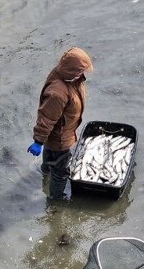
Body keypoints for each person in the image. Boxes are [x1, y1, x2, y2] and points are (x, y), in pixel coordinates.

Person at [27, 47, 94, 200]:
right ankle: (56, 198)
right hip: (60, 137)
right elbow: (47, 118)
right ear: (71, 70)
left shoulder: (68, 77)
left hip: (59, 134)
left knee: (50, 154)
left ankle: (45, 171)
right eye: (80, 71)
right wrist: (38, 141)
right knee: (61, 171)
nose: (82, 74)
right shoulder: (58, 93)